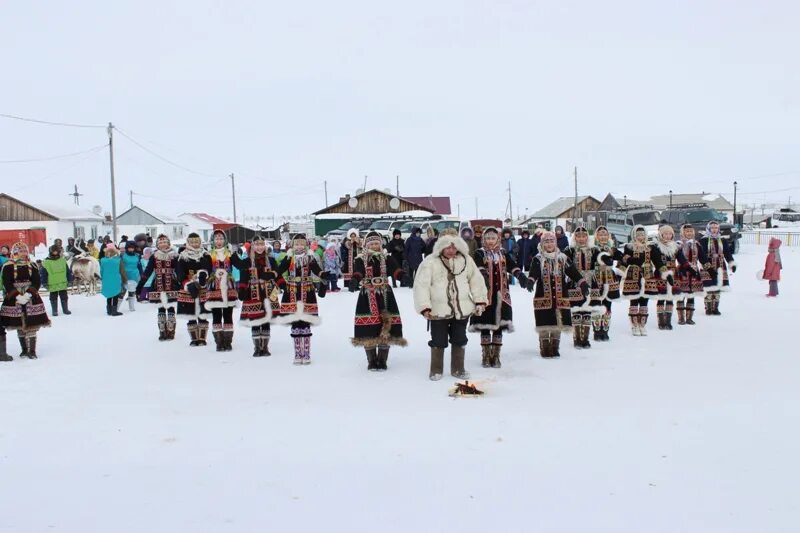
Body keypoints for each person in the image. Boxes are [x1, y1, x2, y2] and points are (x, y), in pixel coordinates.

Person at [413, 230, 488, 380]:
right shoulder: (430, 262)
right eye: (447, 247)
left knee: (459, 338)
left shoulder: (466, 261)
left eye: (454, 247)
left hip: (462, 308)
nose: (451, 250)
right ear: (440, 247)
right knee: (438, 340)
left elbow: (476, 281)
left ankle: (458, 369)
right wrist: (425, 307)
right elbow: (421, 285)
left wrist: (480, 300)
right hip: (437, 310)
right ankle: (436, 369)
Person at [525, 231, 587, 358]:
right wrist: (530, 281)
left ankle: (554, 346)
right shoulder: (538, 259)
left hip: (560, 297)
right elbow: (534, 273)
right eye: (546, 242)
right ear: (542, 244)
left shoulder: (563, 258)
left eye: (551, 241)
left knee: (558, 322)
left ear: (555, 243)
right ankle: (545, 347)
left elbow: (573, 272)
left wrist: (582, 283)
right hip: (543, 297)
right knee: (544, 322)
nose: (549, 244)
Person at [469, 227, 525, 368]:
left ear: (498, 239)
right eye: (487, 238)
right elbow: (478, 266)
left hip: (501, 295)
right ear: (483, 239)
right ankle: (486, 355)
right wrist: (483, 274)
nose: (490, 240)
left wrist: (520, 275)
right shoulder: (479, 253)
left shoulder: (503, 254)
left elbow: (512, 266)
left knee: (499, 324)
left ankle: (496, 355)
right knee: (485, 324)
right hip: (485, 296)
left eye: (493, 238)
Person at [350, 231, 406, 371]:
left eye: (377, 243)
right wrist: (355, 279)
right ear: (367, 245)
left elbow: (395, 269)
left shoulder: (386, 257)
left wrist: (402, 276)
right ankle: (371, 360)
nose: (375, 246)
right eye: (372, 243)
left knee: (386, 325)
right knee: (368, 327)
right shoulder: (361, 258)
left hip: (385, 294)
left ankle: (382, 359)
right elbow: (358, 271)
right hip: (367, 294)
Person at [274, 234, 327, 365]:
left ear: (306, 245)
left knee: (305, 322)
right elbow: (279, 270)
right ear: (292, 245)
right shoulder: (288, 258)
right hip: (291, 290)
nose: (299, 246)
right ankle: (298, 354)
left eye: (301, 244)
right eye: (296, 244)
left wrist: (322, 275)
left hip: (307, 291)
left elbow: (316, 269)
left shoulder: (309, 258)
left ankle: (306, 353)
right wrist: (280, 283)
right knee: (295, 322)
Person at [1, 242, 51, 358]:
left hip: (31, 298)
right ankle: (24, 349)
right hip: (14, 298)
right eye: (21, 251)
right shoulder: (8, 266)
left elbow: (36, 281)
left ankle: (32, 351)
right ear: (15, 252)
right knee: (19, 324)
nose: (24, 253)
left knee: (32, 324)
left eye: (25, 251)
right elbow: (7, 282)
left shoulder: (32, 265)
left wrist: (28, 295)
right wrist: (17, 295)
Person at [236, 236, 280, 357]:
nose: (259, 247)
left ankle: (265, 347)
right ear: (253, 246)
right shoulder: (247, 261)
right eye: (257, 244)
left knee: (266, 319)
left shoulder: (270, 260)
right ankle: (256, 347)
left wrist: (273, 275)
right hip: (253, 292)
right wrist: (242, 289)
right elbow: (243, 275)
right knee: (255, 319)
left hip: (269, 291)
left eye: (261, 244)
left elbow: (277, 273)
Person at [563, 226, 601, 349]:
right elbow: (564, 263)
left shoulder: (594, 249)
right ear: (574, 237)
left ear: (587, 237)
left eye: (584, 236)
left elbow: (601, 260)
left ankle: (585, 339)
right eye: (578, 236)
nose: (581, 239)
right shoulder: (569, 250)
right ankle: (577, 338)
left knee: (587, 311)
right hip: (574, 282)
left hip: (591, 282)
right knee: (576, 310)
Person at [137, 235, 179, 341]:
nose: (163, 245)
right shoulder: (154, 256)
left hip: (171, 284)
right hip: (158, 284)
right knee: (160, 308)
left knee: (170, 307)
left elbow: (179, 270)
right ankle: (162, 332)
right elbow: (147, 271)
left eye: (165, 243)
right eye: (160, 243)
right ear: (157, 245)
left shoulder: (174, 256)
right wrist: (140, 286)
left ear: (169, 244)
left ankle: (171, 331)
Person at [176, 233, 212, 346]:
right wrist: (186, 283)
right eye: (192, 242)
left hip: (202, 286)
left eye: (196, 242)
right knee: (190, 314)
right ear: (188, 243)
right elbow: (179, 272)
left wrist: (204, 275)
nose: (195, 244)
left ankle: (202, 338)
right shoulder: (182, 256)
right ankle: (193, 338)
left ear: (200, 242)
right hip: (188, 287)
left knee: (203, 313)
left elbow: (209, 268)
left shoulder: (205, 255)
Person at [620, 225, 658, 336]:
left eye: (642, 235)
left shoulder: (651, 247)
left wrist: (663, 271)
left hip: (647, 275)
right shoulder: (629, 247)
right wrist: (619, 273)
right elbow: (625, 260)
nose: (640, 237)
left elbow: (657, 261)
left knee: (644, 301)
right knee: (634, 299)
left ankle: (642, 325)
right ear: (633, 236)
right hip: (633, 275)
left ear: (646, 235)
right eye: (638, 235)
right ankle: (634, 325)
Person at [206, 230, 239, 352]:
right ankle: (219, 343)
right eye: (216, 239)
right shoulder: (208, 254)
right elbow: (204, 269)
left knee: (228, 314)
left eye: (221, 239)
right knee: (216, 314)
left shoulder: (230, 254)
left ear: (225, 240)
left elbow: (240, 265)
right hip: (214, 286)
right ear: (213, 241)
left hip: (228, 286)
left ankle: (228, 342)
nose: (218, 241)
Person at [591, 226, 622, 340]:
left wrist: (619, 272)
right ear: (596, 236)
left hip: (609, 279)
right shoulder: (593, 248)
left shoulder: (611, 248)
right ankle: (597, 331)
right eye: (600, 234)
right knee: (596, 304)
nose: (603, 237)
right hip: (596, 279)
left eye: (605, 234)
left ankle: (605, 330)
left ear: (608, 236)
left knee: (607, 305)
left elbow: (622, 258)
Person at [700, 221, 736, 315]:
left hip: (720, 266)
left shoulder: (722, 240)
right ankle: (708, 308)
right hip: (708, 266)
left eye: (716, 228)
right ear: (708, 229)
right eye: (712, 228)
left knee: (717, 287)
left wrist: (732, 263)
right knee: (708, 287)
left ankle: (715, 308)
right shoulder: (703, 240)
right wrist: (708, 267)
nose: (714, 230)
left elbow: (727, 253)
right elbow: (702, 256)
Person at [675, 224, 706, 325]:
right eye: (687, 231)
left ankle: (689, 317)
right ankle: (681, 318)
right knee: (681, 294)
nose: (689, 233)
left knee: (691, 294)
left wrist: (708, 268)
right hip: (682, 270)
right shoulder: (678, 244)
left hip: (694, 270)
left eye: (691, 231)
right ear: (682, 233)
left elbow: (702, 258)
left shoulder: (696, 244)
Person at [651, 225, 681, 330]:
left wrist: (688, 268)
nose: (668, 236)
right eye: (665, 234)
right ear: (661, 235)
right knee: (661, 298)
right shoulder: (656, 247)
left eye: (670, 234)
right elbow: (657, 262)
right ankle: (661, 321)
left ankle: (668, 321)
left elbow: (682, 259)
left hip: (673, 274)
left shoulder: (676, 246)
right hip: (661, 275)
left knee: (670, 298)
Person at [42, 245, 72, 316]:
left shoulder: (62, 260)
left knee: (64, 296)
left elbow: (67, 271)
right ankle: (54, 310)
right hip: (52, 283)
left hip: (62, 281)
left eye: (56, 251)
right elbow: (44, 273)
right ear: (51, 251)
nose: (55, 252)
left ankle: (65, 309)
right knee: (53, 296)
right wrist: (44, 282)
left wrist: (70, 279)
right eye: (54, 251)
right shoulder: (46, 262)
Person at [100, 243, 126, 317]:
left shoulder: (103, 260)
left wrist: (103, 277)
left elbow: (101, 271)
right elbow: (121, 271)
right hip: (116, 279)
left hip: (106, 279)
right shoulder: (118, 260)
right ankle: (114, 311)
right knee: (115, 295)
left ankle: (109, 310)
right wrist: (124, 279)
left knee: (109, 295)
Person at [121, 241, 143, 312]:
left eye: (132, 248)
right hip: (125, 275)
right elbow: (119, 266)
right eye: (129, 248)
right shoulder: (122, 255)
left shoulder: (137, 255)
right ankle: (116, 308)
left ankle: (131, 308)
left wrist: (142, 274)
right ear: (127, 248)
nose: (131, 249)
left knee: (132, 292)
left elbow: (139, 266)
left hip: (134, 275)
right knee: (122, 292)